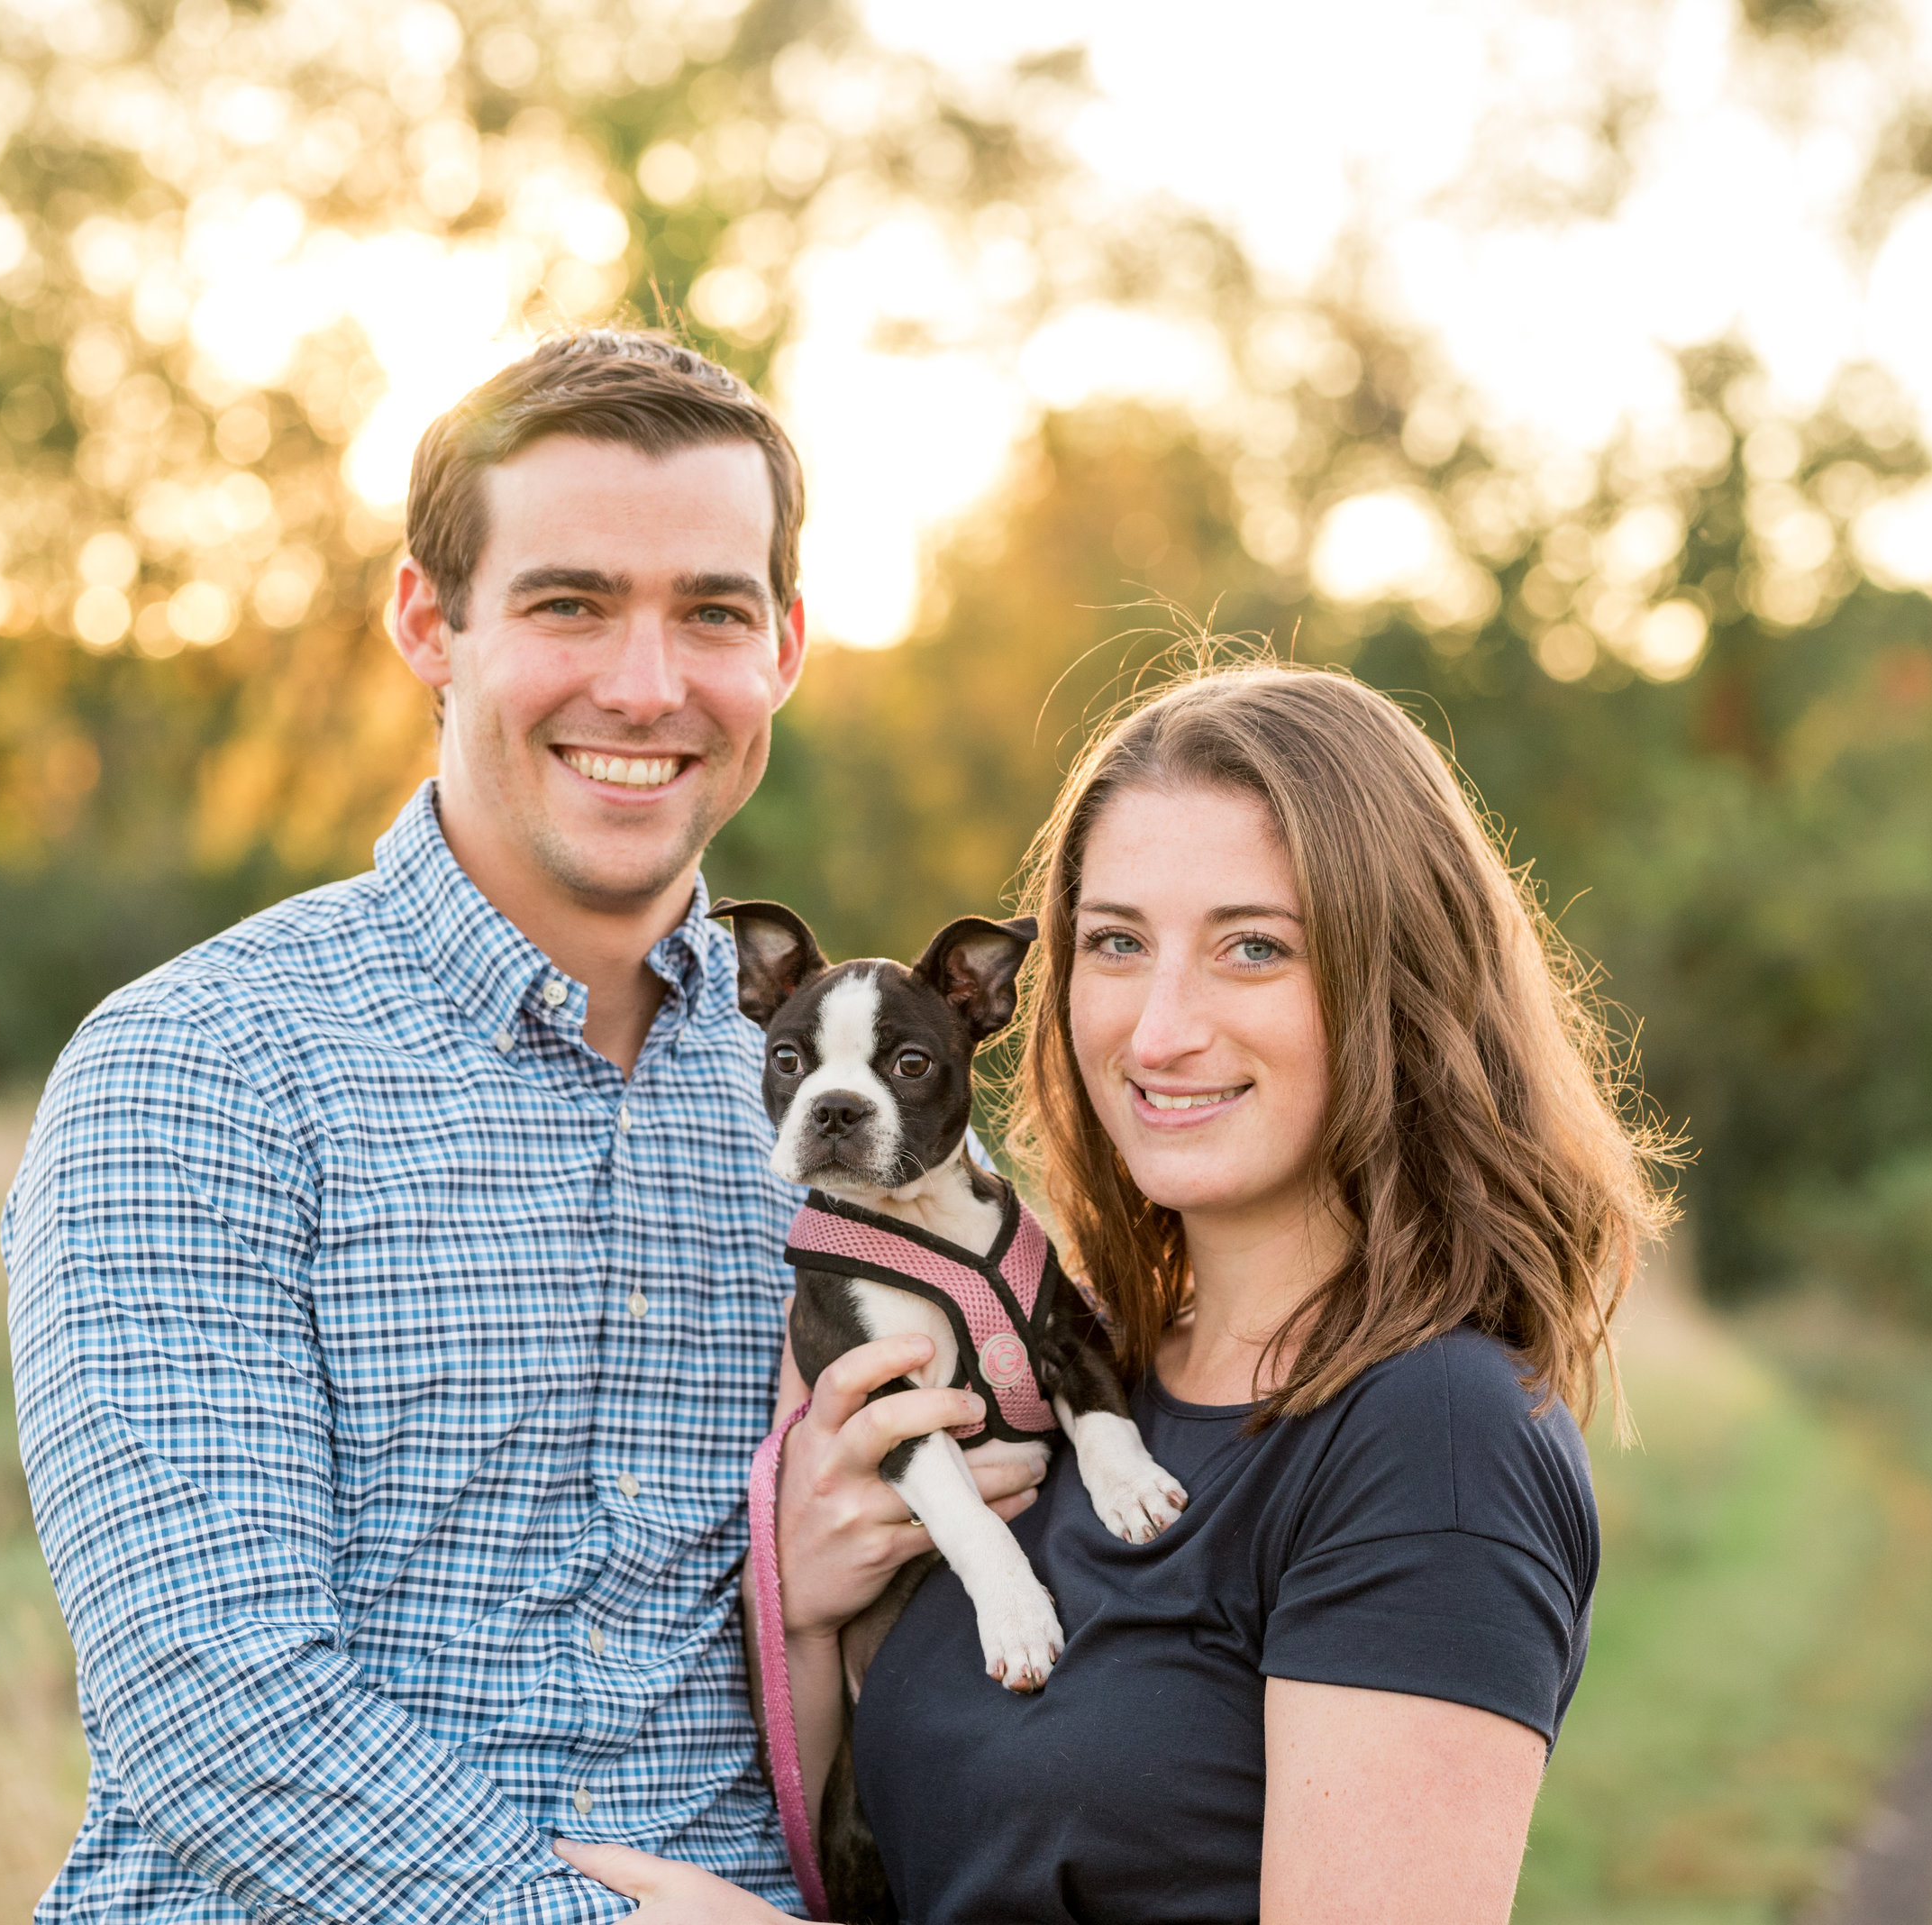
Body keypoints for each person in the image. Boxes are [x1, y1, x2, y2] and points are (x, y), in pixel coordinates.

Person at [1, 330, 1042, 1923]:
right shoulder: (200, 1073)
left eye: (712, 611)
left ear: (787, 647)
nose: (646, 684)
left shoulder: (857, 1111)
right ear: (431, 621)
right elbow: (216, 1710)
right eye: (568, 603)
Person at [705, 661, 1671, 1923]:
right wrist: (809, 1612)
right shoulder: (1080, 1373)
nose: (1159, 1029)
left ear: (1400, 984)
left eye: (1254, 947)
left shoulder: (1435, 1442)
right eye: (1116, 942)